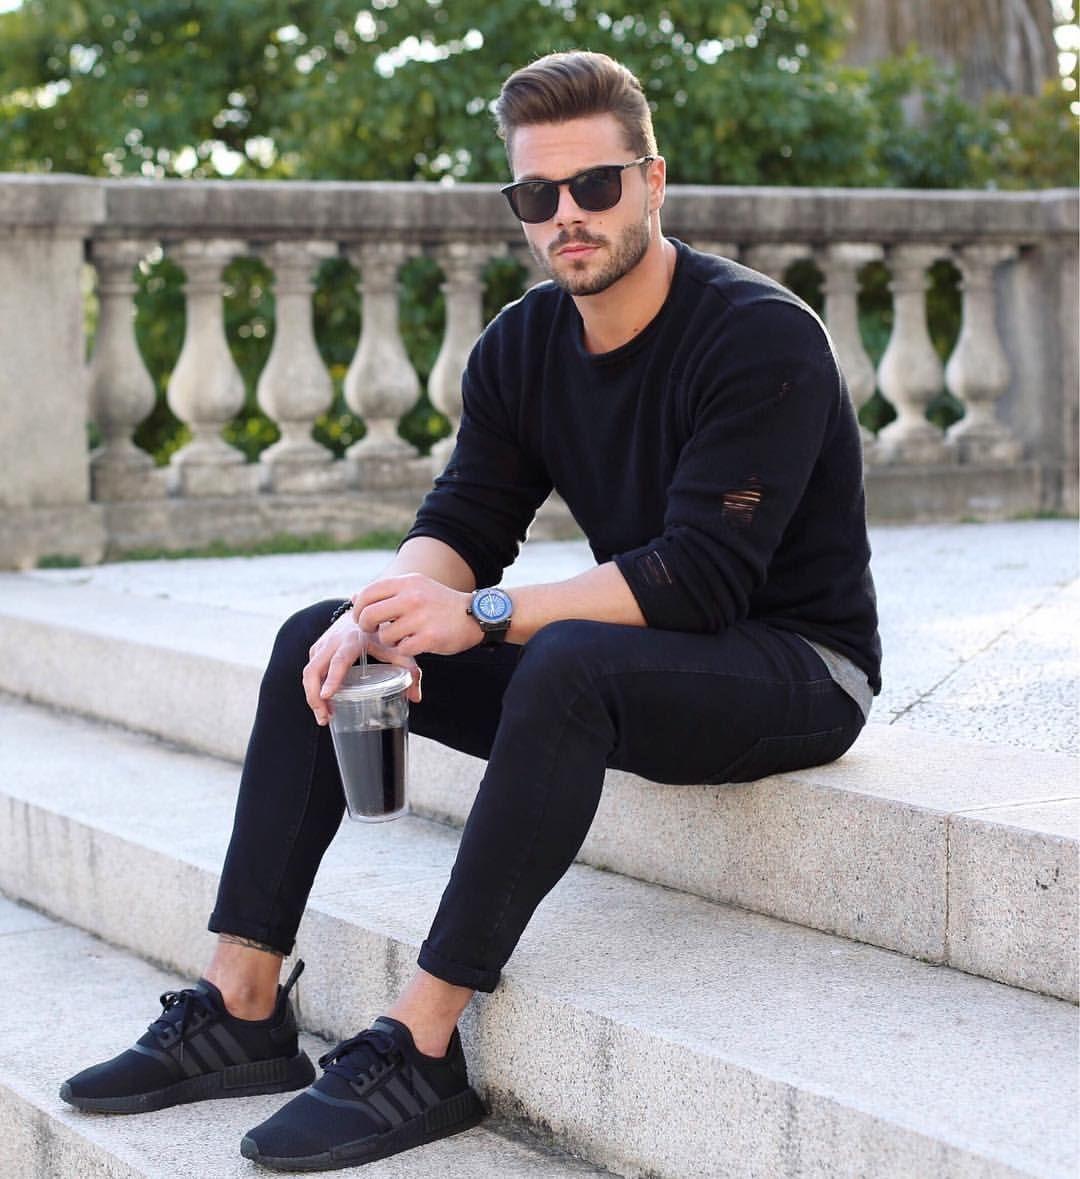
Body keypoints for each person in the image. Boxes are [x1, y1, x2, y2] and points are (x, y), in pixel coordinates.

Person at [60, 49, 881, 1171]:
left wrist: (483, 615)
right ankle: (241, 1003)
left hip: (796, 668)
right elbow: (464, 518)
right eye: (537, 195)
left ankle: (422, 1042)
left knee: (565, 661)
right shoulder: (523, 345)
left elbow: (699, 578)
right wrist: (385, 611)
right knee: (319, 635)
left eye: (594, 185)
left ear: (652, 182)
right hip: (650, 662)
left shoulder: (758, 335)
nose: (567, 217)